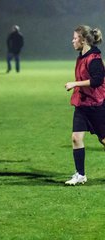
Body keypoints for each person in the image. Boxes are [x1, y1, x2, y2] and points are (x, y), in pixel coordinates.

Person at [64, 25, 105, 185]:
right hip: (82, 104)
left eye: (75, 38)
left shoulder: (94, 59)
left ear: (83, 40)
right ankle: (80, 175)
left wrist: (75, 83)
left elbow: (96, 81)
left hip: (96, 105)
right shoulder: (82, 56)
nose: (72, 41)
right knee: (76, 138)